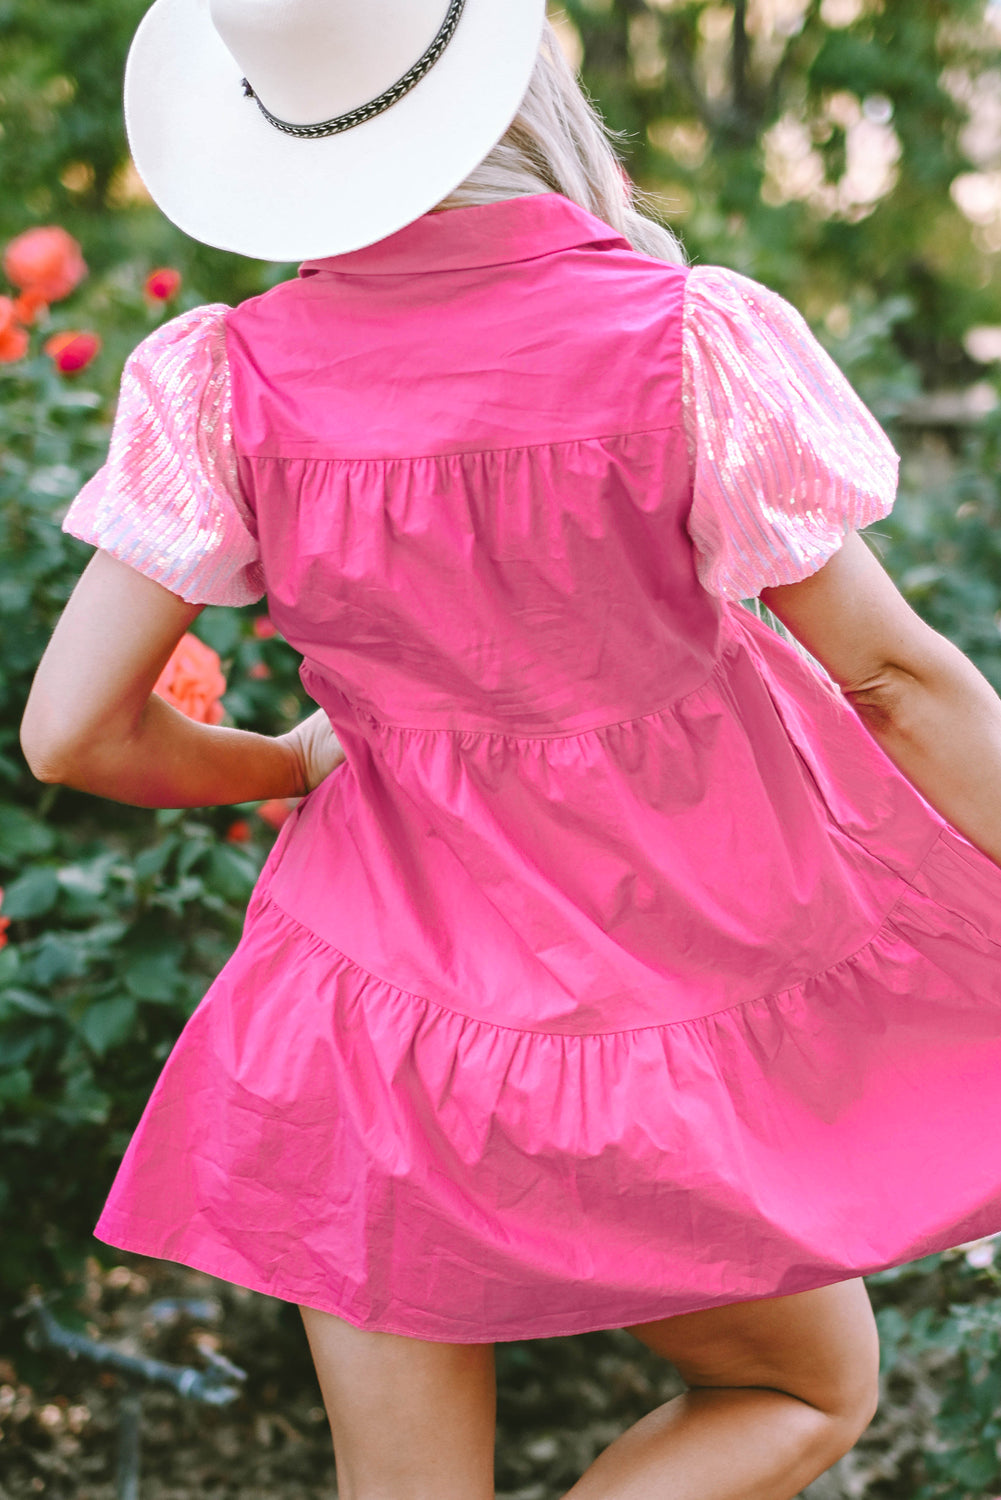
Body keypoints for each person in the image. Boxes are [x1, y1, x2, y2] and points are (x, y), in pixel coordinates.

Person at [19, 1, 1001, 1496]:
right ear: (520, 87)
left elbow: (70, 732)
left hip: (362, 1026)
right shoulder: (684, 343)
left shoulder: (228, 378)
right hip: (648, 1013)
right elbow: (889, 677)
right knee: (803, 1391)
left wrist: (287, 765)